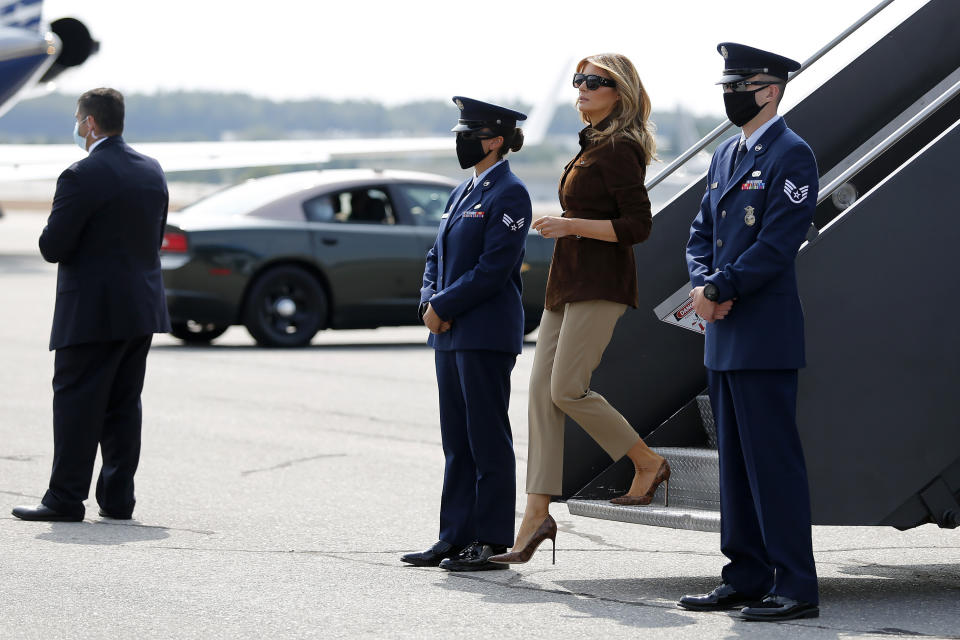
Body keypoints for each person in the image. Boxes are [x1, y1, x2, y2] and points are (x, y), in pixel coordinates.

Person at [489, 53, 664, 567]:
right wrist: (567, 224)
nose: (582, 88)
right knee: (542, 399)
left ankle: (648, 462)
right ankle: (536, 516)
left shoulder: (620, 149)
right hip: (565, 285)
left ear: (620, 92)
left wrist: (570, 225)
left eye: (595, 81)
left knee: (567, 389)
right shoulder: (592, 145)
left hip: (601, 285)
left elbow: (637, 227)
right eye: (579, 80)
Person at [678, 43, 820, 621]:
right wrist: (703, 284)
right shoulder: (725, 156)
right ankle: (744, 574)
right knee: (734, 465)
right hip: (724, 332)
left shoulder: (793, 154)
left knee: (773, 463)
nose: (731, 95)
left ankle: (795, 585)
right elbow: (700, 233)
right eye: (727, 87)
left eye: (742, 85)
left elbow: (779, 242)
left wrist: (720, 289)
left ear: (771, 90)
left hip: (761, 330)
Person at [12, 88, 170, 523]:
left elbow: (52, 245)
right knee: (123, 404)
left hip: (92, 312)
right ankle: (118, 500)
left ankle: (64, 498)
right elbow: (152, 237)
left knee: (77, 404)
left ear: (91, 123)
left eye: (78, 119)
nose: (78, 127)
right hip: (140, 306)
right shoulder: (151, 170)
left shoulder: (81, 174)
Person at [400, 97, 532, 572]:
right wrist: (428, 302)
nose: (461, 140)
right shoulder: (463, 191)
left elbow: (494, 268)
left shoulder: (509, 193)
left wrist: (444, 305)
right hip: (450, 333)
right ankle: (453, 536)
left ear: (495, 140)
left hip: (484, 333)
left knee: (486, 440)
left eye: (469, 132)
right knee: (456, 441)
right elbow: (436, 256)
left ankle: (491, 539)